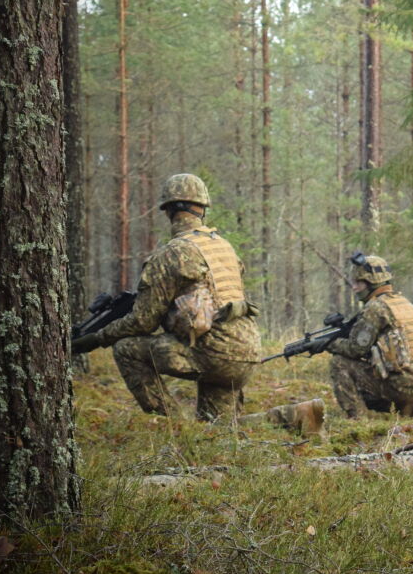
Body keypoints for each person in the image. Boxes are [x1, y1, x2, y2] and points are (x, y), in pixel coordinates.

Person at [72, 173, 321, 432]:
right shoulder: (223, 247)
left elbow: (143, 321)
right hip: (246, 352)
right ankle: (296, 417)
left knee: (126, 349)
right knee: (218, 431)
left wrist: (98, 337)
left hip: (212, 353)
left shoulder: (172, 253)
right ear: (201, 209)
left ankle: (177, 430)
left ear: (169, 210)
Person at [327, 252, 413, 418]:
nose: (354, 287)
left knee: (339, 363)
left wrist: (330, 344)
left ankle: (358, 419)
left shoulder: (375, 308)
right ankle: (407, 412)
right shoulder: (403, 303)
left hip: (401, 385)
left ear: (372, 283)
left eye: (358, 283)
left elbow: (356, 349)